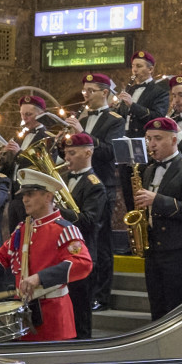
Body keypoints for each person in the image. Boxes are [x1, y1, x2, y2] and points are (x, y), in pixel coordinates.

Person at [0, 171, 92, 342]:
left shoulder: (64, 229)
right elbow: (0, 255)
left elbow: (83, 263)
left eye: (30, 194)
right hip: (25, 313)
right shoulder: (22, 229)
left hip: (53, 314)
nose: (24, 199)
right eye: (23, 195)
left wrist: (39, 278)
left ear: (47, 196)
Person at [134, 118, 182, 318]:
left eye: (158, 138)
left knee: (179, 313)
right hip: (155, 251)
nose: (152, 144)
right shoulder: (148, 170)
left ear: (174, 140)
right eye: (149, 139)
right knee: (157, 310)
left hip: (180, 253)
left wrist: (156, 200)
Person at [59, 133, 113, 335]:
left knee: (80, 315)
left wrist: (57, 209)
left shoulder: (95, 184)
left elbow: (89, 222)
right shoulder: (63, 179)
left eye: (72, 153)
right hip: (62, 254)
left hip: (83, 255)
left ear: (88, 152)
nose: (67, 158)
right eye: (66, 153)